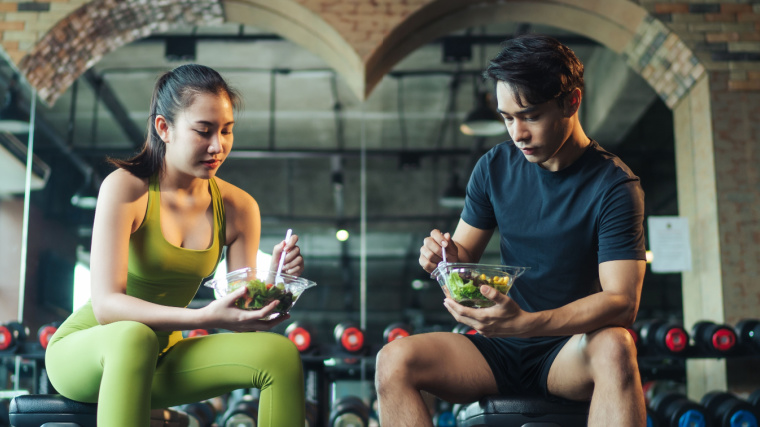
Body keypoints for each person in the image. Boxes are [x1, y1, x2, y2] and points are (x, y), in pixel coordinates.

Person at [375, 35, 647, 426]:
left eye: (530, 116)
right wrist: (443, 259)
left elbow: (622, 301)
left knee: (617, 346)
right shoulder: (493, 167)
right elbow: (461, 257)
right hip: (498, 349)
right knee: (394, 360)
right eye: (507, 118)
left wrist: (527, 323)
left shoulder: (615, 186)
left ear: (571, 101)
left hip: (569, 352)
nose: (517, 133)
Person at [45, 64, 306, 427]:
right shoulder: (126, 187)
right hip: (91, 352)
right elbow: (106, 307)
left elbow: (244, 314)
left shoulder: (239, 208)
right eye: (203, 131)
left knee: (279, 354)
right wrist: (202, 317)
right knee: (133, 336)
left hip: (162, 357)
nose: (218, 145)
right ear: (163, 128)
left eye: (226, 131)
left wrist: (274, 284)